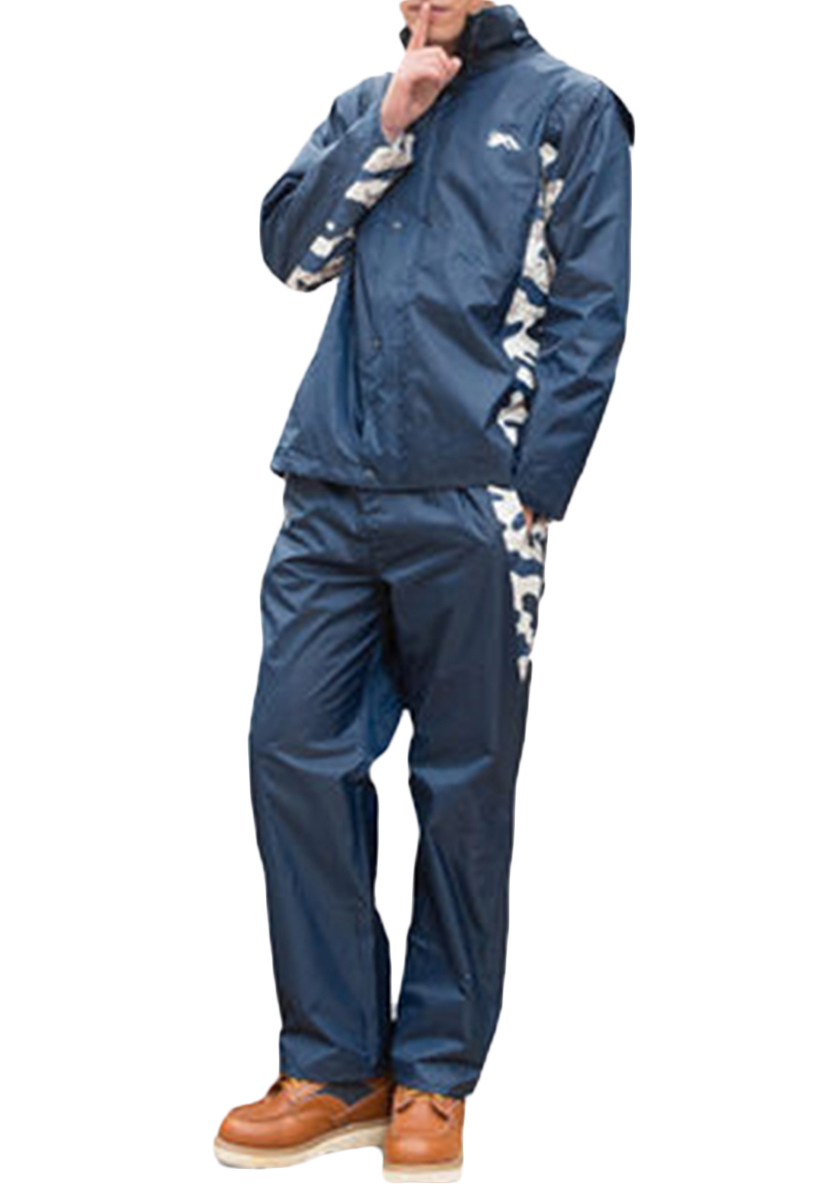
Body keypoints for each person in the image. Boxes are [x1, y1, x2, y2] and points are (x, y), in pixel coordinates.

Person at [214, 0, 634, 1183]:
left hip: (470, 498)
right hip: (330, 483)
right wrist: (387, 125)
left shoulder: (570, 110)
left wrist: (531, 489)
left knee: (461, 785)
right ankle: (334, 1066)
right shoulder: (369, 101)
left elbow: (590, 309)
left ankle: (435, 1075)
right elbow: (293, 255)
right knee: (292, 754)